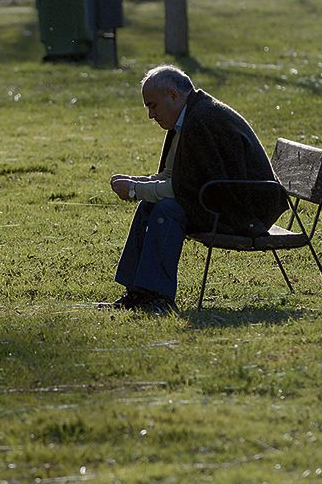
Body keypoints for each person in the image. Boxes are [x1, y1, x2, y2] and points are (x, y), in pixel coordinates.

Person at [107, 65, 287, 313]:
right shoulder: (188, 115)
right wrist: (137, 182)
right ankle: (137, 293)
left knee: (168, 209)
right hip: (220, 199)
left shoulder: (203, 119)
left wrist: (135, 189)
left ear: (173, 95)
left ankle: (158, 296)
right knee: (150, 204)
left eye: (153, 105)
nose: (150, 114)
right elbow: (175, 176)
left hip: (243, 213)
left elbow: (184, 189)